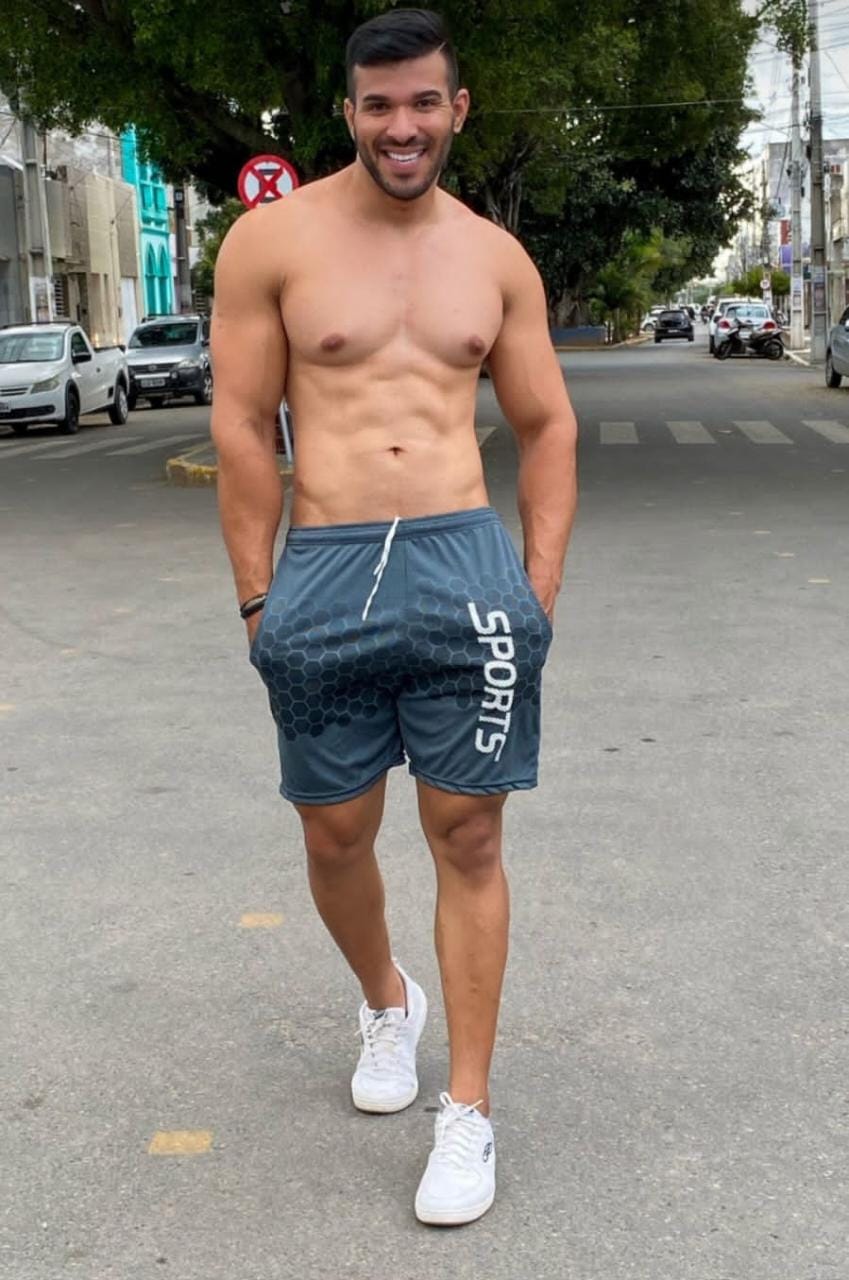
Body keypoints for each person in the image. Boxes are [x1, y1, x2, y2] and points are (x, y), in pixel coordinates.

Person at [211, 7, 577, 1226]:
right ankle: (386, 998)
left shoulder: (496, 258)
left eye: (423, 101)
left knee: (469, 834)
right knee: (334, 833)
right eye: (379, 105)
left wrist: (534, 591)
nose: (402, 125)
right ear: (350, 113)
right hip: (324, 560)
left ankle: (467, 1106)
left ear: (456, 109)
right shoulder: (272, 243)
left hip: (462, 558)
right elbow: (241, 425)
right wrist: (257, 594)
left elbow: (547, 427)